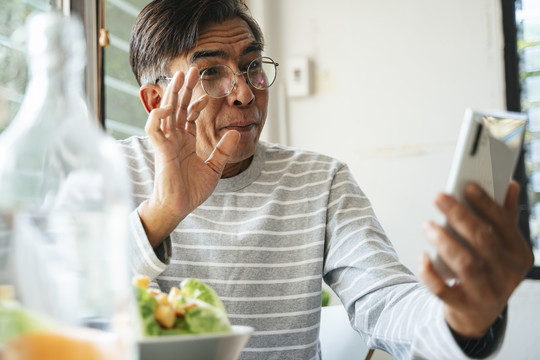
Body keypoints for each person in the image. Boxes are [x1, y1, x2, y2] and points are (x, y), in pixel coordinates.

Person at [120, 1, 533, 359]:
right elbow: (71, 304)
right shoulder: (114, 172)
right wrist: (162, 213)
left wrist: (461, 320)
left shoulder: (319, 180)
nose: (245, 92)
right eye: (211, 73)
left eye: (252, 66)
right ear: (156, 101)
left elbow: (384, 298)